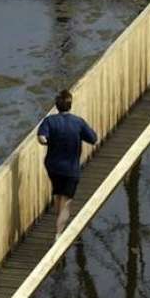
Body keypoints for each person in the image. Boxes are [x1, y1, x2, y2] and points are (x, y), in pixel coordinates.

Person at [37, 90, 98, 240]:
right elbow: (93, 139)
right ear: (70, 105)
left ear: (57, 106)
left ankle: (57, 224)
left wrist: (50, 141)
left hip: (53, 166)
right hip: (70, 168)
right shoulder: (78, 122)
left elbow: (41, 138)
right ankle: (58, 234)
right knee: (66, 201)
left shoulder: (49, 121)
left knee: (59, 195)